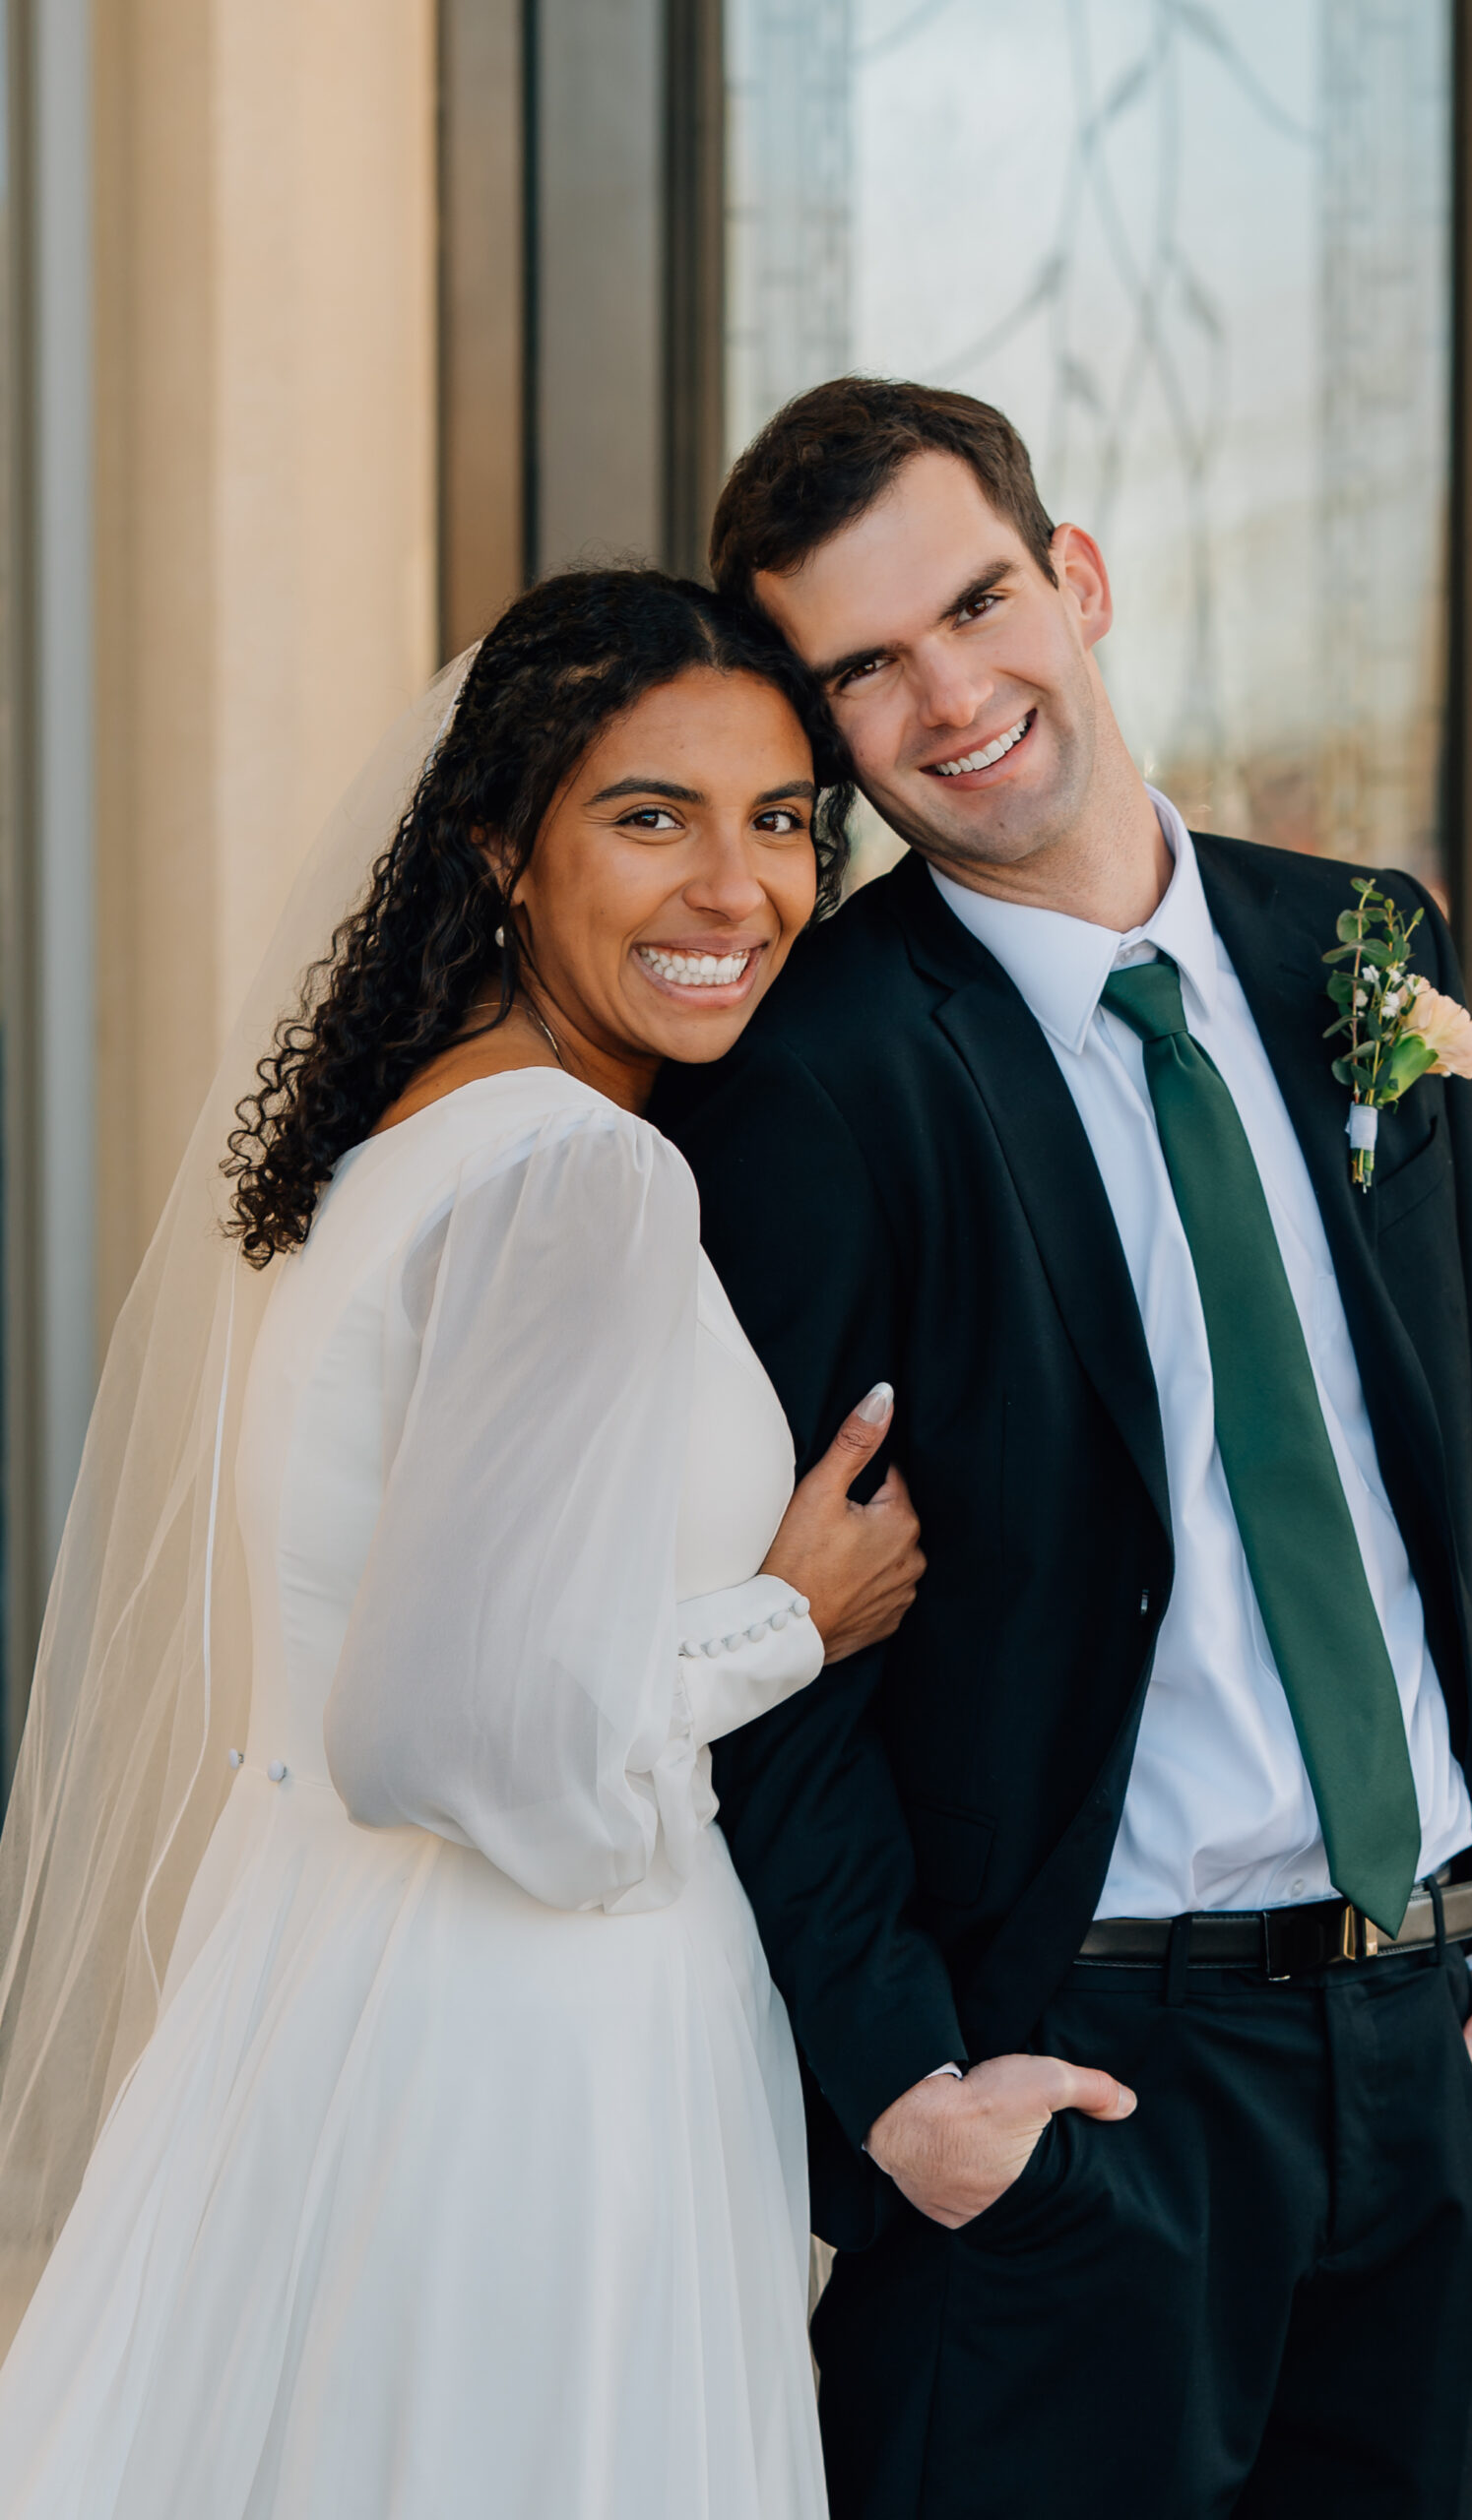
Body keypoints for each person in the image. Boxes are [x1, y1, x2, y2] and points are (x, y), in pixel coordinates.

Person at [653, 379, 1472, 2518]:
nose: (951, 699)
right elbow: (773, 1642)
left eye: (977, 604)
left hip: (1422, 2055)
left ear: (1078, 577)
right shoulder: (815, 1072)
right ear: (829, 732)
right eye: (866, 668)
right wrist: (910, 2090)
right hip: (1079, 2093)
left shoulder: (1355, 947)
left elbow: (1449, 1483)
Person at [0, 567, 924, 2518]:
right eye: (652, 816)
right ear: (503, 842)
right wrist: (789, 1616)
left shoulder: (410, 1144)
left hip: (330, 1989)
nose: (737, 890)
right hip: (525, 2046)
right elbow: (446, 1731)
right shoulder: (581, 1174)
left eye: (779, 821)